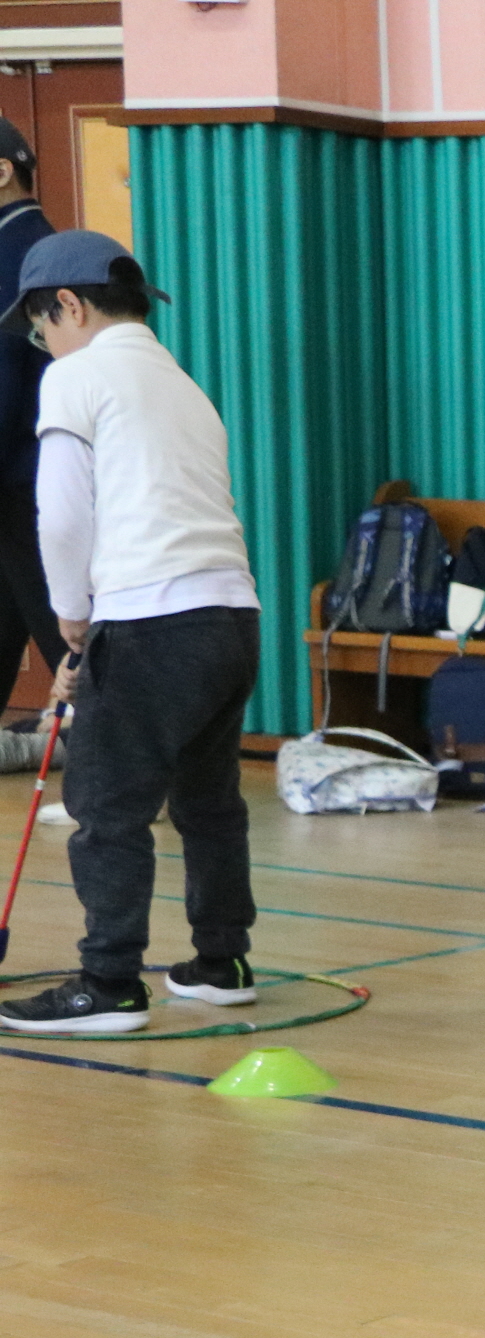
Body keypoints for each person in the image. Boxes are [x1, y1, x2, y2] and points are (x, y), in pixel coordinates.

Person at [0, 233, 263, 1036]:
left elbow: (61, 513)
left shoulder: (76, 375)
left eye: (40, 326)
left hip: (151, 618)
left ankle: (109, 982)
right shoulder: (181, 382)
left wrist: (72, 620)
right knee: (208, 802)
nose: (43, 343)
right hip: (232, 616)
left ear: (69, 305)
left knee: (106, 806)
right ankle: (221, 962)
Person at [0, 121, 57, 773]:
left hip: (22, 479)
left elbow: (4, 377)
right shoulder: (36, 244)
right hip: (24, 477)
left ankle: (122, 784)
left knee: (63, 631)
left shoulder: (16, 249)